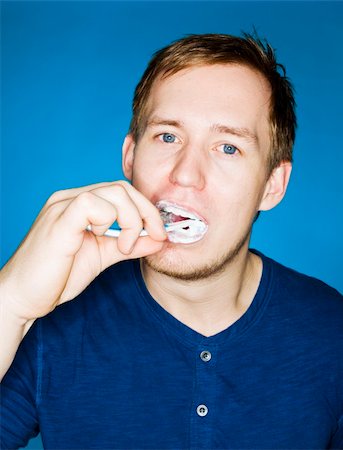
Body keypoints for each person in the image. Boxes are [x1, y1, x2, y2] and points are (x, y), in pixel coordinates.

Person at [0, 32, 342, 450]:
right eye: (167, 137)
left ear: (272, 185)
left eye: (228, 147)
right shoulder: (55, 322)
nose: (185, 175)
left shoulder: (332, 331)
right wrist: (11, 301)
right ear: (130, 157)